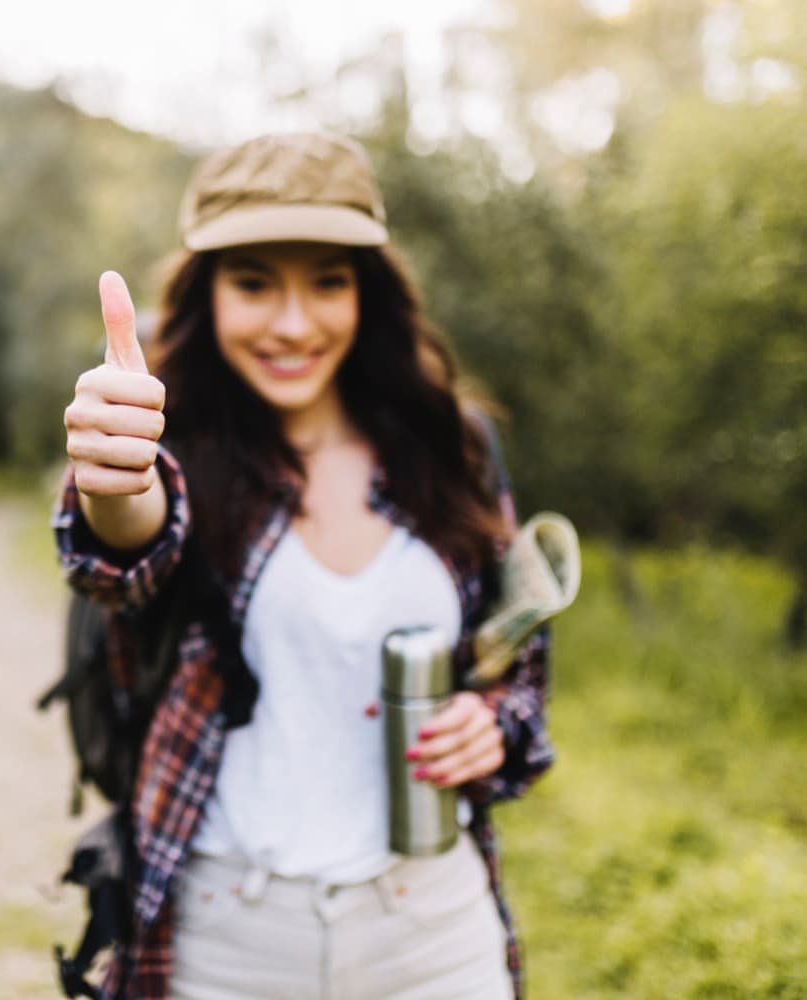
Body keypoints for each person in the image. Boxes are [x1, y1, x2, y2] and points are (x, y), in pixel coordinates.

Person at [54, 132, 554, 999]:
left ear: (369, 290)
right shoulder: (170, 444)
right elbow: (124, 555)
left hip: (435, 931)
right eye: (254, 281)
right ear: (207, 293)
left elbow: (516, 660)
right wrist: (113, 479)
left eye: (328, 278)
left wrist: (491, 720)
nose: (294, 322)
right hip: (227, 940)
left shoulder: (453, 444)